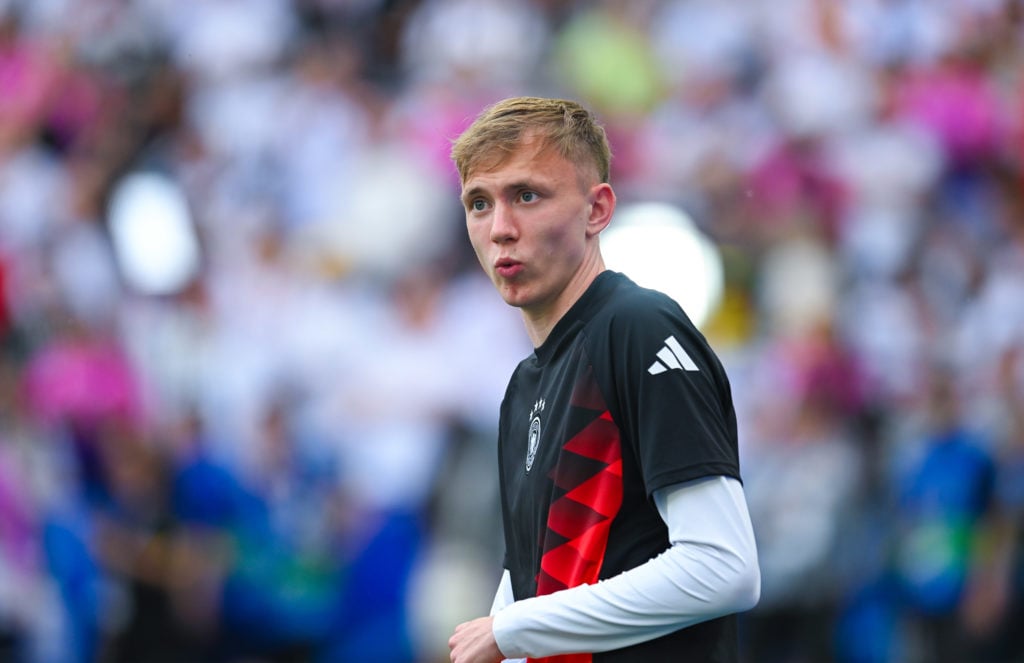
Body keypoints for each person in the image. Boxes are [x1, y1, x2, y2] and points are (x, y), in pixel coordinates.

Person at [446, 95, 760, 663]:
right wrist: (510, 628)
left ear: (597, 211)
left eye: (526, 195)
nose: (500, 229)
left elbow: (724, 567)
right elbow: (528, 596)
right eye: (478, 203)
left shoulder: (637, 326)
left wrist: (513, 628)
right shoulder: (523, 387)